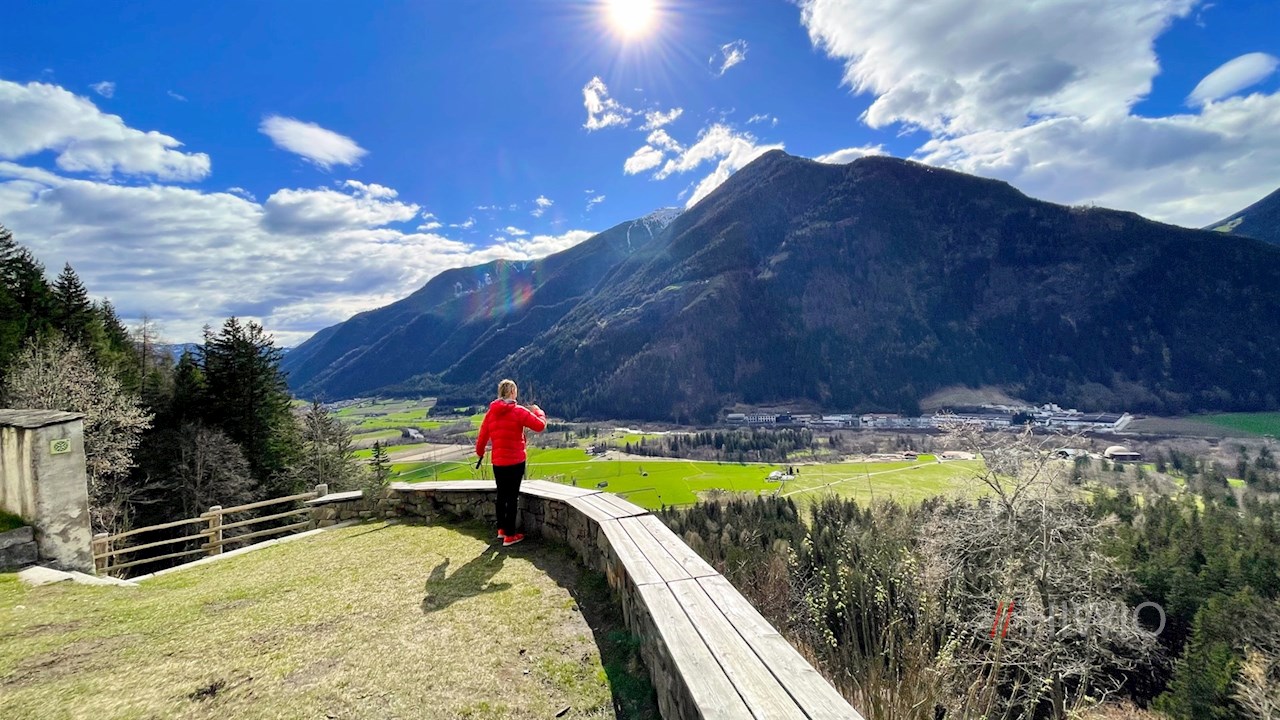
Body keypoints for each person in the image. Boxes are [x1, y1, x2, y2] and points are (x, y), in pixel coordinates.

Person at [475, 379, 546, 547]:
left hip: (498, 461)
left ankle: (501, 529)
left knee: (501, 495)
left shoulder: (491, 413)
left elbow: (482, 436)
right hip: (515, 461)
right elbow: (540, 426)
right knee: (512, 497)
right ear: (513, 392)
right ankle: (510, 535)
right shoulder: (518, 411)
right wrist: (539, 411)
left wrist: (480, 452)